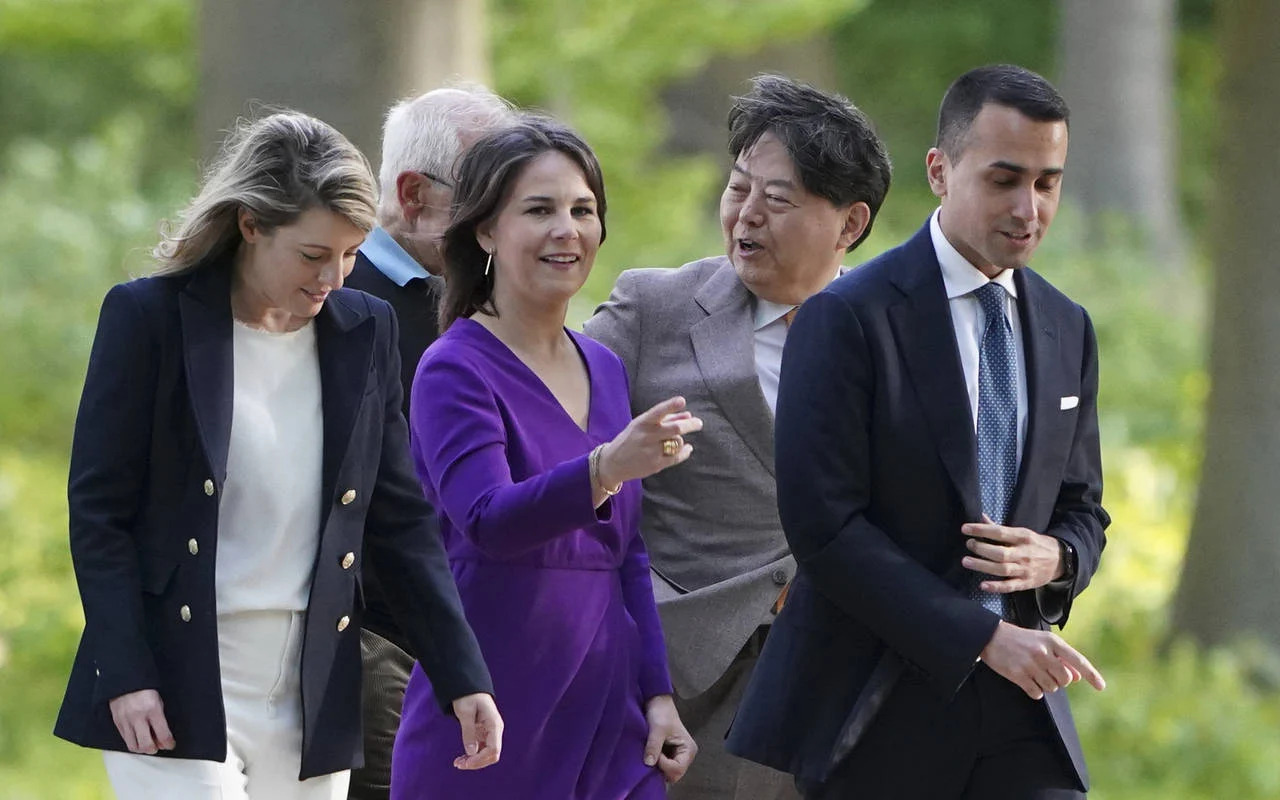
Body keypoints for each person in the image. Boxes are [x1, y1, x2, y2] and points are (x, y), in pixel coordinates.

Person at [53, 111, 502, 800]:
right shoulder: (148, 320)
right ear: (251, 225)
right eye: (314, 255)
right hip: (176, 677)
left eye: (351, 254)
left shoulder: (363, 328)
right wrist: (127, 673)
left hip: (311, 687)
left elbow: (399, 519)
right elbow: (99, 512)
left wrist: (461, 672)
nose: (335, 277)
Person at [725, 65, 1110, 799]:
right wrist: (978, 637)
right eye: (1004, 180)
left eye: (1047, 182)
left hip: (1024, 707)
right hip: (876, 703)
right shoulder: (849, 317)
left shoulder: (1068, 327)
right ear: (940, 170)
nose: (1029, 208)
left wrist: (1056, 556)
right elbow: (823, 527)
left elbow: (1084, 508)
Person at [584, 74, 891, 800]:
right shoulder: (653, 306)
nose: (745, 216)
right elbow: (552, 447)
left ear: (849, 224)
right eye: (737, 189)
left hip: (825, 682)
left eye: (777, 200)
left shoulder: (894, 337)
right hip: (667, 678)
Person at [390, 116, 698, 799]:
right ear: (486, 231)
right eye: (540, 210)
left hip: (610, 716)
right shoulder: (454, 367)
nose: (568, 230)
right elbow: (488, 518)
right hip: (492, 714)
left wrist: (658, 695)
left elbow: (628, 555)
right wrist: (606, 468)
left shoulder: (607, 367)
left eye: (583, 210)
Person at [341, 84, 513, 800]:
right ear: (413, 197)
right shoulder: (344, 306)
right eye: (494, 199)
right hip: (382, 656)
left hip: (480, 661)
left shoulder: (498, 308)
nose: (510, 223)